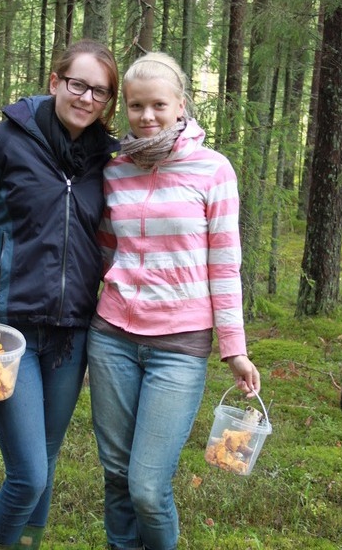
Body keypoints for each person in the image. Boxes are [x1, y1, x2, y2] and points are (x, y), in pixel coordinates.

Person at [0, 39, 120, 550]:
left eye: (99, 91)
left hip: (70, 336)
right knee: (28, 474)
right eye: (77, 84)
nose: (86, 98)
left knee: (49, 456)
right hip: (2, 335)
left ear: (108, 101)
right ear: (55, 82)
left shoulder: (108, 161)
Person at [87, 51, 261, 550]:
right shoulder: (116, 169)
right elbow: (102, 250)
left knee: (146, 486)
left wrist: (235, 348)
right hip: (112, 339)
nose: (146, 116)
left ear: (180, 105)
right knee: (116, 475)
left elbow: (225, 266)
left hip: (178, 348)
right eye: (136, 106)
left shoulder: (212, 170)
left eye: (158, 105)